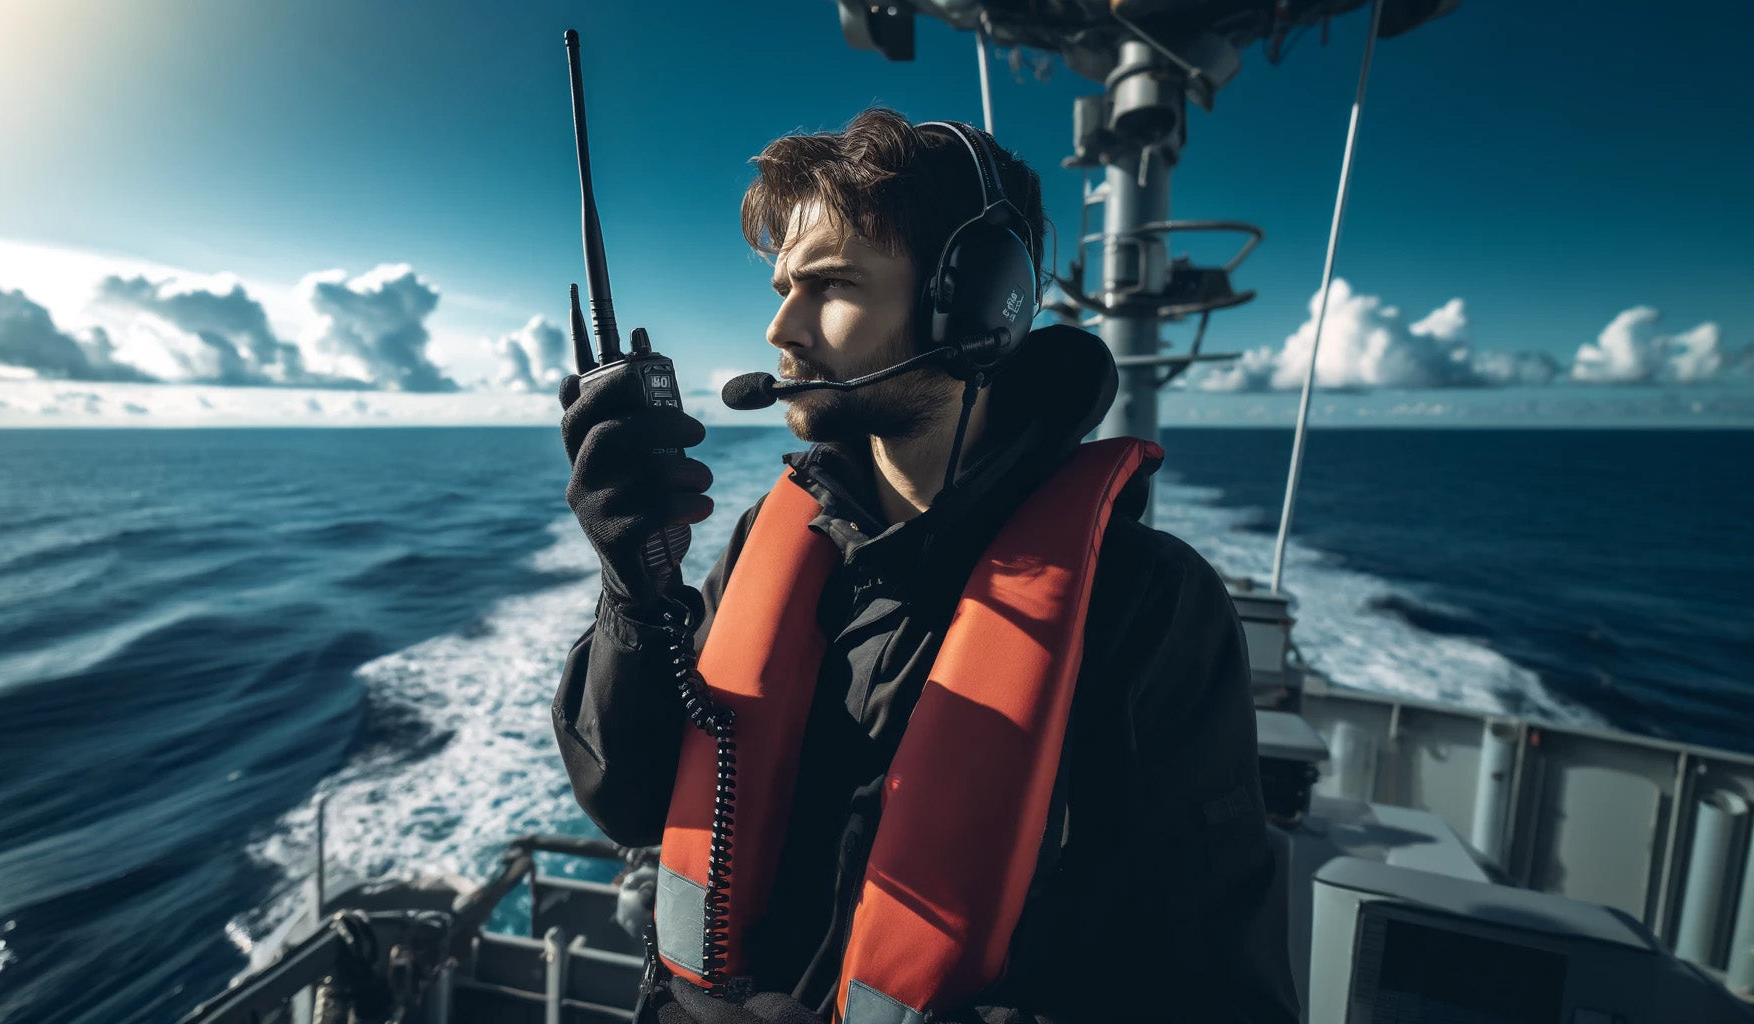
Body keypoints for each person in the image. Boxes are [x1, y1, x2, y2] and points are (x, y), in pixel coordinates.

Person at [553, 107, 1297, 1024]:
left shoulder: (1146, 604)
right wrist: (635, 588)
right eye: (782, 286)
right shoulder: (770, 543)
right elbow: (628, 802)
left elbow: (1220, 995)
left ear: (979, 303)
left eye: (827, 285)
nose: (782, 327)